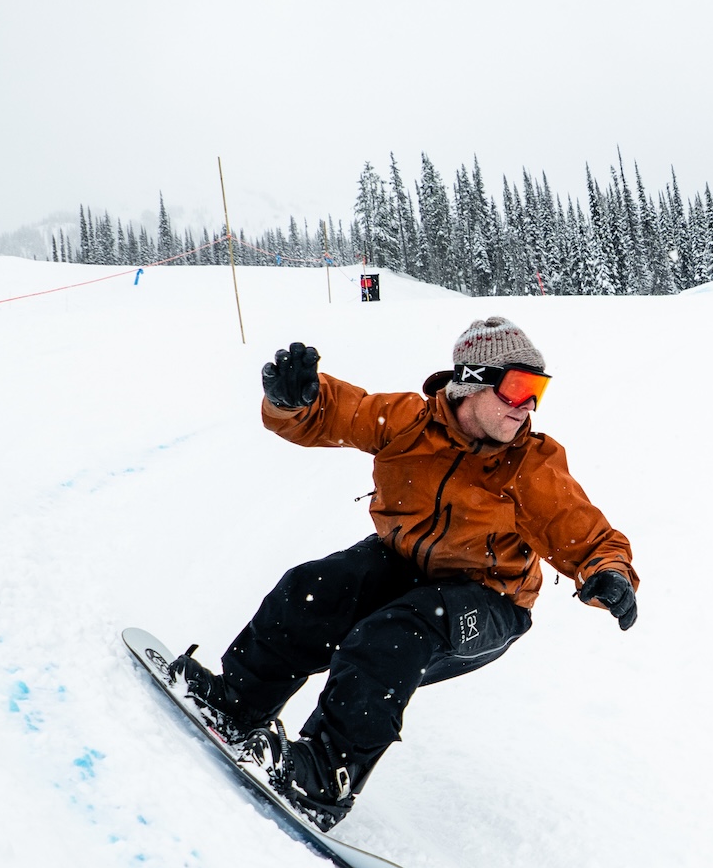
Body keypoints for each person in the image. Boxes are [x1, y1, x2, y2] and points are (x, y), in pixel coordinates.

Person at [169, 316, 638, 827]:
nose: (526, 406)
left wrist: (608, 572)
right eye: (518, 388)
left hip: (491, 598)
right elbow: (331, 413)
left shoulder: (529, 461)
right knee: (313, 589)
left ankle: (327, 775)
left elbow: (582, 531)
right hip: (404, 561)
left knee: (390, 638)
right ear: (474, 381)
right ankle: (238, 704)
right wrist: (292, 400)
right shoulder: (408, 422)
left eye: (537, 392)